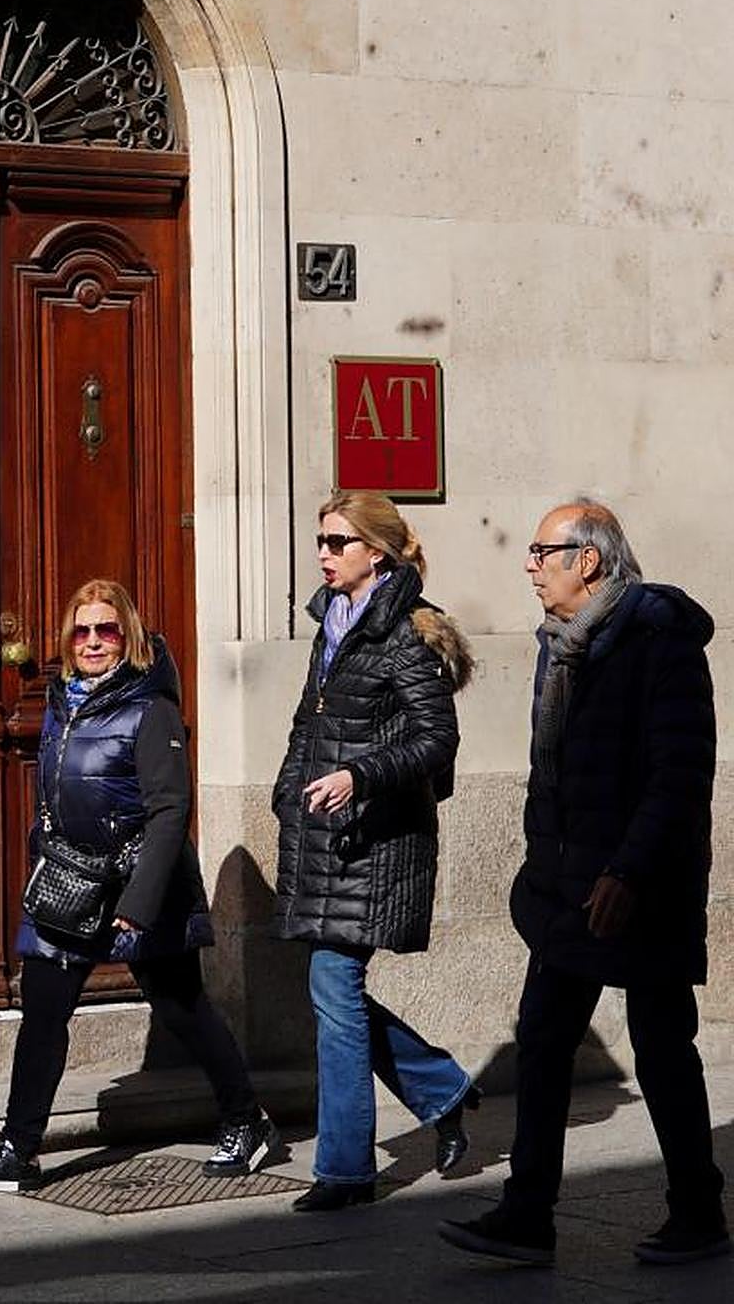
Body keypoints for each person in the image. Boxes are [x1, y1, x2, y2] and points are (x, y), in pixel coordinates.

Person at [440, 499, 729, 1268]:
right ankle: (529, 1213)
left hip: (644, 886)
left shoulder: (659, 642)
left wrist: (628, 868)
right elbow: (554, 776)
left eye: (543, 550)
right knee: (542, 1039)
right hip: (567, 886)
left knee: (663, 1044)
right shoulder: (562, 644)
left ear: (588, 561)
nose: (529, 564)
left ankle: (698, 1209)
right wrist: (543, 870)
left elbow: (679, 774)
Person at [0, 578, 281, 1193]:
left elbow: (170, 810)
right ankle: (16, 1150)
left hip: (138, 886)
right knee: (43, 1015)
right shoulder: (61, 703)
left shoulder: (150, 708)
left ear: (127, 637)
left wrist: (140, 901)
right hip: (71, 884)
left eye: (107, 629)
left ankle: (248, 1121)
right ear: (67, 641)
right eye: (82, 630)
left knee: (182, 1010)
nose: (94, 641)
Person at [272, 489, 477, 1212]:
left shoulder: (404, 633)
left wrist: (359, 774)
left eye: (337, 541)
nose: (323, 554)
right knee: (339, 994)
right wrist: (287, 789)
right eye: (321, 541)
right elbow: (310, 721)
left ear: (377, 552)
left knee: (333, 988)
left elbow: (436, 740)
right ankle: (442, 1089)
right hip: (326, 832)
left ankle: (346, 1170)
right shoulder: (333, 620)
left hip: (376, 839)